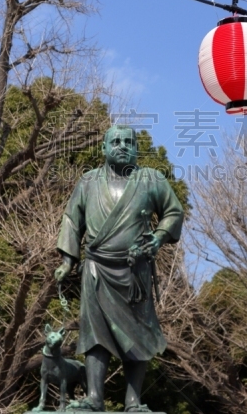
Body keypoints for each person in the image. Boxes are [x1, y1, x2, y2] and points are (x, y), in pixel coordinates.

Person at [53, 125, 184, 412]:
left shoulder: (151, 179)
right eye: (116, 141)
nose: (122, 145)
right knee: (94, 334)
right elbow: (72, 221)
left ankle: (133, 401)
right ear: (104, 148)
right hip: (97, 268)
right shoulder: (88, 182)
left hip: (135, 269)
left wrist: (159, 236)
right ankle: (94, 398)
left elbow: (174, 212)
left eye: (128, 141)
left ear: (137, 148)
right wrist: (67, 261)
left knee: (137, 333)